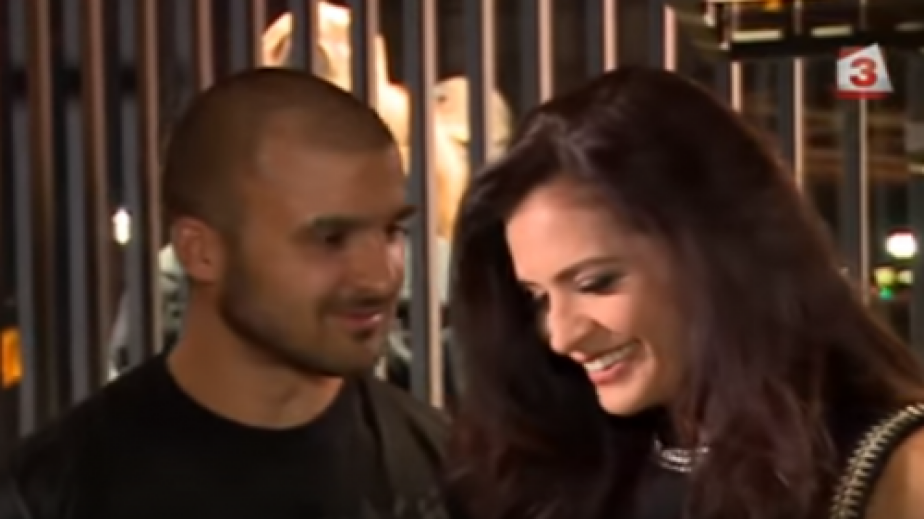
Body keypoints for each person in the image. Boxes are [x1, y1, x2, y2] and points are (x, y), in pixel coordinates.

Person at [446, 66, 924, 519]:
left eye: (596, 284)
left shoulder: (897, 466)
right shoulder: (562, 472)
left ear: (720, 255)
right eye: (538, 298)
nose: (563, 336)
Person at [0, 69, 454, 519]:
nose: (379, 278)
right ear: (200, 252)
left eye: (392, 231)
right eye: (331, 239)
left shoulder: (448, 478)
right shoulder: (53, 494)